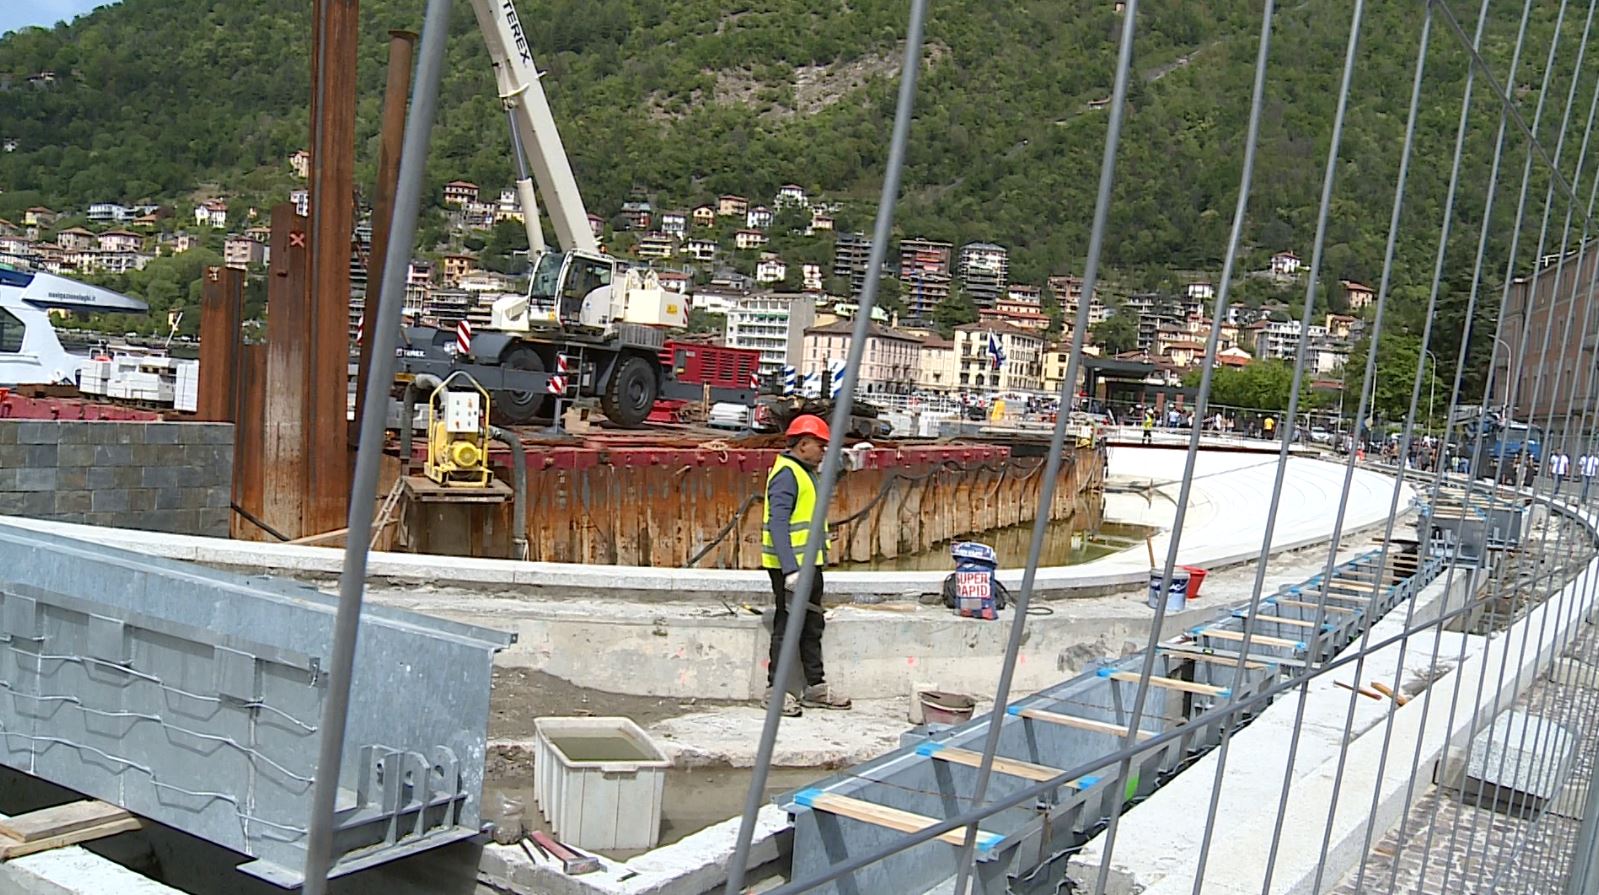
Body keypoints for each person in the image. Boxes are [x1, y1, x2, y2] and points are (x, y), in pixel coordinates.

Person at [761, 414, 851, 717]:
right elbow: (778, 523)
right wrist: (790, 570)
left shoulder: (804, 472)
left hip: (809, 565)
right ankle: (775, 691)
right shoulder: (787, 475)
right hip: (792, 569)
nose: (824, 451)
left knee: (812, 625)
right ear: (802, 445)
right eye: (820, 445)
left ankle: (815, 686)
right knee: (787, 627)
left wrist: (843, 466)